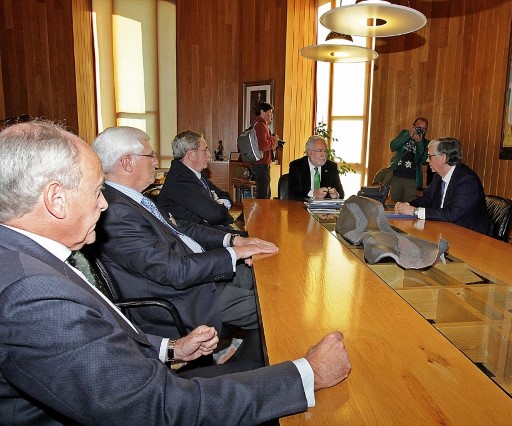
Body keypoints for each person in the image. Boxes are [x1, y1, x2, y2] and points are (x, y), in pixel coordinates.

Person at [0, 120, 351, 424]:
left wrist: (169, 348)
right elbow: (159, 408)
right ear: (55, 199)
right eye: (95, 192)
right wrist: (307, 375)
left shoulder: (23, 256)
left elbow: (94, 342)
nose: (104, 203)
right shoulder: (32, 294)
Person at [92, 126, 270, 339]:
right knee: (270, 306)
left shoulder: (134, 198)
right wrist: (234, 254)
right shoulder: (116, 212)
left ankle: (247, 353)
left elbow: (181, 227)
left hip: (198, 273)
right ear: (127, 163)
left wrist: (232, 240)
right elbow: (174, 270)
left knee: (265, 274)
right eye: (150, 156)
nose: (156, 162)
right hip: (184, 299)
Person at [394, 137, 491, 234]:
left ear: (443, 158)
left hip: (470, 235)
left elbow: (451, 214)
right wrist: (407, 205)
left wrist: (415, 211)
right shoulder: (438, 176)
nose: (427, 160)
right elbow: (426, 200)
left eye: (429, 156)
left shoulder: (467, 180)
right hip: (444, 230)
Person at [158, 130, 236, 232]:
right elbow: (215, 214)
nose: (209, 154)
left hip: (213, 230)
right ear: (191, 154)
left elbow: (224, 195)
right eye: (205, 150)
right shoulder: (180, 180)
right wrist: (216, 204)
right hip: (202, 237)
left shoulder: (197, 174)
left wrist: (219, 203)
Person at [388, 117, 432, 202]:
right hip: (396, 176)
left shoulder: (425, 143)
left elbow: (423, 160)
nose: (421, 130)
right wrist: (408, 136)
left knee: (408, 206)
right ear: (413, 127)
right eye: (419, 128)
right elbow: (393, 146)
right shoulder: (405, 133)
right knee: (393, 204)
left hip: (412, 179)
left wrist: (419, 142)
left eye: (424, 129)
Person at [288, 135, 345, 200]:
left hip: (324, 208)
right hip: (302, 207)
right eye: (320, 151)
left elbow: (341, 194)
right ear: (310, 153)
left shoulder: (331, 167)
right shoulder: (296, 166)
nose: (324, 155)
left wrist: (336, 195)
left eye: (325, 151)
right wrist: (313, 194)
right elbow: (293, 194)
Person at [250, 102, 279, 199]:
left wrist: (271, 140)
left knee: (265, 193)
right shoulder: (261, 125)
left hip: (259, 164)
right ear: (262, 111)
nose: (271, 115)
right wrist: (273, 140)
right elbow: (263, 145)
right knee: (263, 195)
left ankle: (261, 213)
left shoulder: (258, 124)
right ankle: (259, 214)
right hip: (261, 164)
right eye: (270, 112)